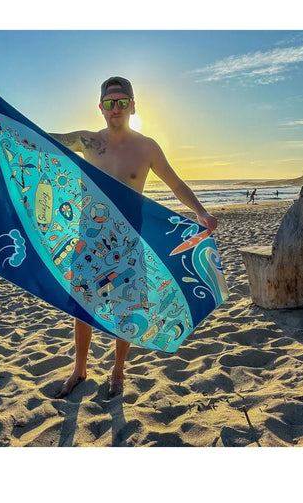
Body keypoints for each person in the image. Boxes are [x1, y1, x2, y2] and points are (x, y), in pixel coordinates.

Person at [50, 76, 218, 398]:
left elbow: (176, 183)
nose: (116, 108)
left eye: (122, 102)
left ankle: (117, 371)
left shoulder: (146, 147)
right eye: (110, 102)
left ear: (132, 106)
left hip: (129, 242)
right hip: (89, 239)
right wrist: (1, 119)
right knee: (82, 308)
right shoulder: (87, 141)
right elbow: (45, 139)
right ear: (101, 108)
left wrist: (200, 212)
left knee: (126, 310)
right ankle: (79, 368)